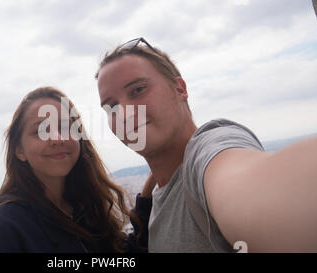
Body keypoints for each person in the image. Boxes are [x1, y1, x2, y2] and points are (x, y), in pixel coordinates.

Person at [95, 37, 317, 252]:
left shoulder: (211, 150)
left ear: (180, 89)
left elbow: (257, 191)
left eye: (138, 90)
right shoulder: (159, 195)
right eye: (111, 106)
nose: (122, 113)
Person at [0, 87, 155, 253]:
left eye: (65, 127)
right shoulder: (0, 230)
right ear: (19, 150)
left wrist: (151, 190)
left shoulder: (84, 209)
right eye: (41, 130)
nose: (57, 138)